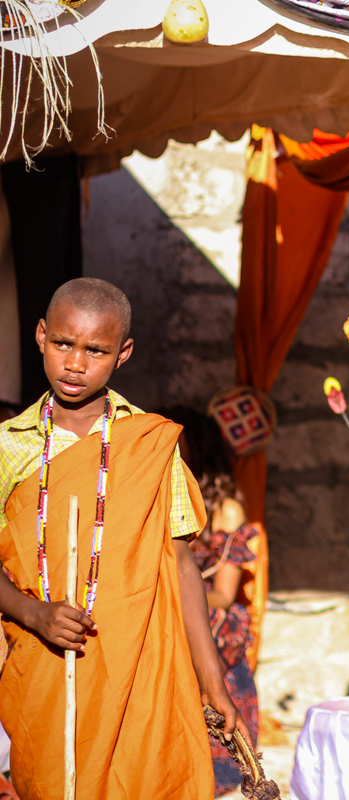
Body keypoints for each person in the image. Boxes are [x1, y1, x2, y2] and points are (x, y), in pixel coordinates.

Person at [0, 278, 248, 799]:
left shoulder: (151, 445)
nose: (75, 363)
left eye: (96, 350)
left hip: (136, 667)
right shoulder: (8, 447)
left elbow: (182, 566)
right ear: (41, 336)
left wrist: (212, 680)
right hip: (41, 664)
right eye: (64, 343)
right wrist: (32, 614)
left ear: (123, 353)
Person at [161, 406, 261, 798]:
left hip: (209, 620)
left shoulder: (226, 509)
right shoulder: (161, 499)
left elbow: (224, 592)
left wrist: (178, 590)